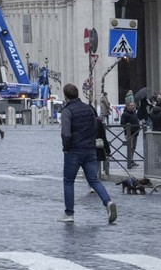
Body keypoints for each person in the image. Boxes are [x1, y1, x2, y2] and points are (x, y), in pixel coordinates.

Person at [58, 83, 117, 224]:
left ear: (65, 96)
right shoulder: (89, 109)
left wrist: (66, 147)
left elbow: (66, 134)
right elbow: (95, 127)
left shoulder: (67, 111)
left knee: (68, 181)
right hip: (90, 150)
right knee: (94, 180)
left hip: (74, 151)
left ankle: (69, 213)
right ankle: (108, 202)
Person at [120, 98, 141, 168]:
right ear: (128, 106)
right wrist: (128, 128)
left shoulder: (134, 113)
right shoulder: (125, 114)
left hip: (135, 133)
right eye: (131, 106)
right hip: (130, 133)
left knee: (133, 147)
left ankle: (131, 160)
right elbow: (122, 124)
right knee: (130, 147)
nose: (133, 107)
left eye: (133, 106)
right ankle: (129, 160)